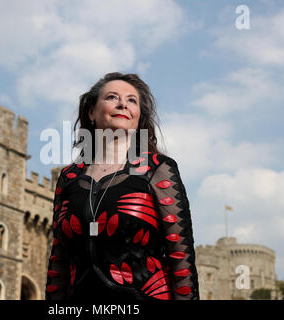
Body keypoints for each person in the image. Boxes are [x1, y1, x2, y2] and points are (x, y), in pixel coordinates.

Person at [45, 72, 199, 300]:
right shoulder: (68, 178)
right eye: (112, 97)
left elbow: (182, 263)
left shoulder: (157, 170)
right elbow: (58, 263)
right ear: (91, 112)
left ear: (138, 117)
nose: (122, 104)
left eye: (131, 100)